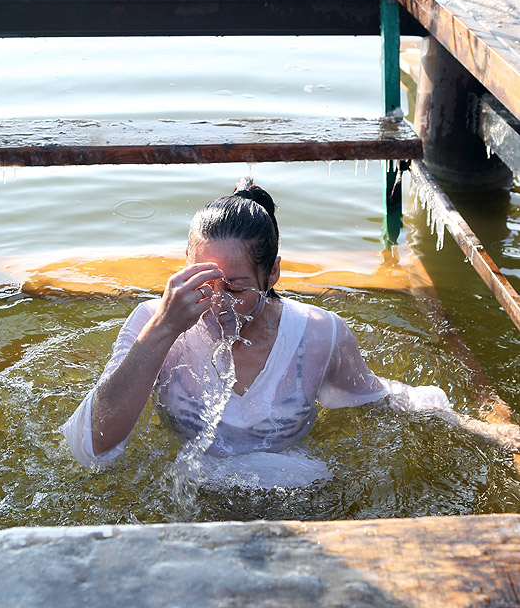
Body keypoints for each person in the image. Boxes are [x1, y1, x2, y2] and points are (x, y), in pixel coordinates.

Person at [61, 178, 520, 488]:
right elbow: (93, 445)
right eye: (203, 281)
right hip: (186, 488)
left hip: (292, 492)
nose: (215, 301)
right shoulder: (154, 323)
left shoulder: (318, 334)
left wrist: (480, 430)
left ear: (273, 273)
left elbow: (380, 399)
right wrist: (163, 330)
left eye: (235, 286)